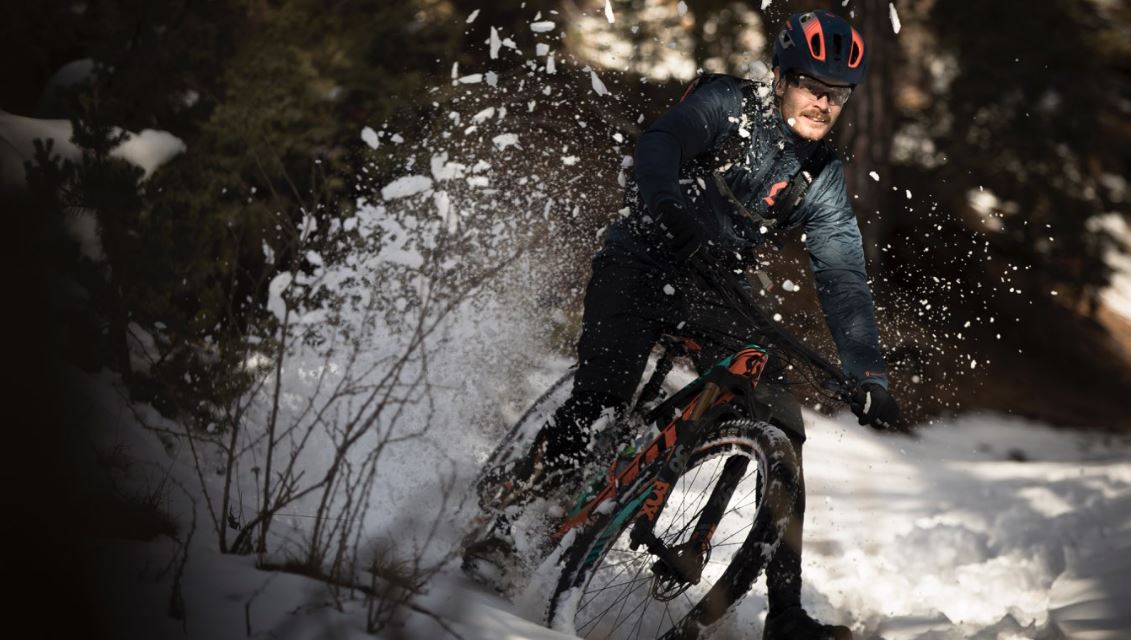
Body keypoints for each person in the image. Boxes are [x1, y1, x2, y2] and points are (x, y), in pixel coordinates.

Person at [467, 10, 900, 640]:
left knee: (782, 420)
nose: (823, 103)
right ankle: (510, 527)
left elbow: (842, 278)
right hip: (644, 254)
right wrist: (667, 206)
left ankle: (784, 616)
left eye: (838, 94)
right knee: (605, 391)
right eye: (812, 85)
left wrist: (868, 374)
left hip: (717, 284)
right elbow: (662, 142)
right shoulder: (728, 104)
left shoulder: (822, 175)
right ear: (781, 78)